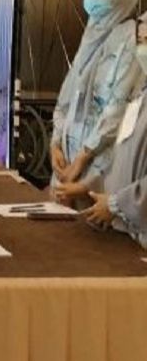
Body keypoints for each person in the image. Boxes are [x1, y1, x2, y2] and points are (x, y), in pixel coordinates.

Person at [50, 0, 144, 201]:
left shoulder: (132, 39)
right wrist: (55, 143)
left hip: (99, 166)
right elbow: (68, 94)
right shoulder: (92, 34)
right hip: (68, 158)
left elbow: (115, 109)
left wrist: (82, 158)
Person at [56, 16, 147, 244]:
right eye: (141, 41)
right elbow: (122, 155)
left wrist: (118, 204)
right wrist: (93, 190)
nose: (143, 49)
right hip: (125, 230)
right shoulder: (140, 95)